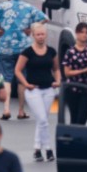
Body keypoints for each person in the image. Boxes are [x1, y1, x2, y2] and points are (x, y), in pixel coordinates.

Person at [0, 0, 46, 121]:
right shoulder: (28, 7)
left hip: (5, 46)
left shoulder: (2, 7)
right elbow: (44, 18)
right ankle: (20, 110)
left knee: (6, 79)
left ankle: (6, 109)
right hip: (23, 48)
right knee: (21, 79)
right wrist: (32, 28)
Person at [14, 23, 60, 162]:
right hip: (33, 90)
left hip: (49, 90)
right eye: (38, 34)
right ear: (33, 35)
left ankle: (37, 150)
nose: (41, 37)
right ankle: (48, 148)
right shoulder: (27, 52)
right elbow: (17, 70)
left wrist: (58, 80)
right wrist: (26, 84)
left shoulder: (51, 51)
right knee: (43, 119)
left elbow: (56, 69)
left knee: (43, 120)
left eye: (43, 34)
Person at [61, 22, 87, 126]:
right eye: (82, 32)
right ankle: (73, 139)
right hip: (73, 89)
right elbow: (67, 73)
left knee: (82, 119)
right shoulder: (70, 52)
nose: (85, 34)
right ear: (77, 33)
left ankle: (78, 137)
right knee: (74, 119)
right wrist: (84, 70)